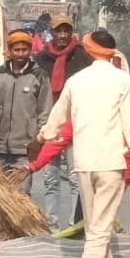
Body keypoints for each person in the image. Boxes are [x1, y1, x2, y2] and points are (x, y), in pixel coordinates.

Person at [37, 30, 130, 258]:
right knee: (101, 223)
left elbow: (57, 118)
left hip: (84, 162)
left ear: (89, 50)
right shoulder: (123, 80)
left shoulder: (76, 80)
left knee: (95, 218)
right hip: (111, 161)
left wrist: (42, 137)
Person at [35, 14, 91, 228]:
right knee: (51, 177)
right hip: (50, 124)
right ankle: (52, 223)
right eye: (59, 30)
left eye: (67, 30)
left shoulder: (83, 57)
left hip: (76, 125)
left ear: (72, 32)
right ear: (52, 32)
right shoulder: (41, 60)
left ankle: (75, 223)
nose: (63, 35)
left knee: (76, 177)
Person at [0, 31, 50, 203]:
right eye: (17, 50)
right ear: (10, 51)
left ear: (30, 50)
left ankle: (20, 231)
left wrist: (39, 141)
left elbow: (44, 112)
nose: (21, 54)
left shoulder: (39, 76)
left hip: (25, 149)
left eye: (24, 49)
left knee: (21, 197)